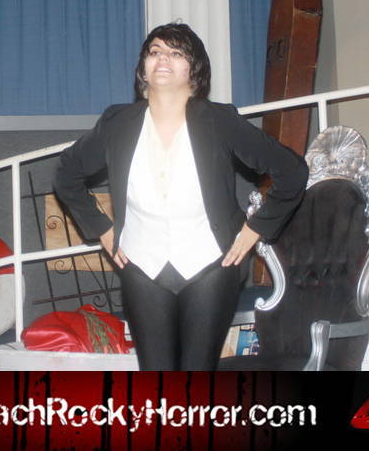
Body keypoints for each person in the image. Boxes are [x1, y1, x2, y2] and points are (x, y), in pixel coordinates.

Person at [53, 23, 308, 370]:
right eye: (154, 51)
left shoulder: (219, 120)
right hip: (141, 263)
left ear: (194, 70)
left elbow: (292, 171)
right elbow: (66, 174)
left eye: (175, 53)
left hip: (212, 263)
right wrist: (101, 229)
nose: (162, 58)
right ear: (143, 69)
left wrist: (256, 229)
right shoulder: (117, 122)